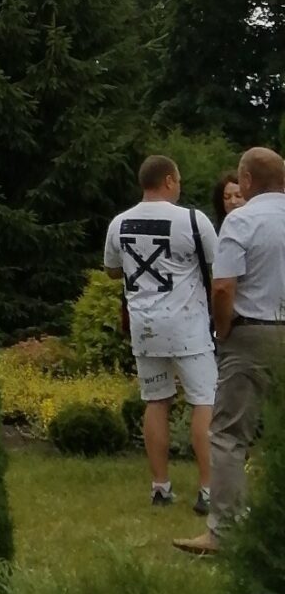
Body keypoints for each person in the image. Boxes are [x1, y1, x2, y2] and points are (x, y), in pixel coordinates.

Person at [179, 146, 285, 556]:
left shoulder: (241, 221)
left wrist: (223, 330)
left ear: (246, 180)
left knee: (228, 435)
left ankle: (224, 531)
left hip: (253, 333)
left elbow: (223, 286)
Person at [102, 154, 214, 514]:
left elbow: (112, 272)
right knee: (203, 401)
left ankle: (160, 486)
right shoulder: (193, 221)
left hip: (144, 325)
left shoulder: (119, 223)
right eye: (177, 180)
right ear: (168, 180)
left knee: (156, 401)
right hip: (188, 325)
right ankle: (209, 489)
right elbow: (216, 264)